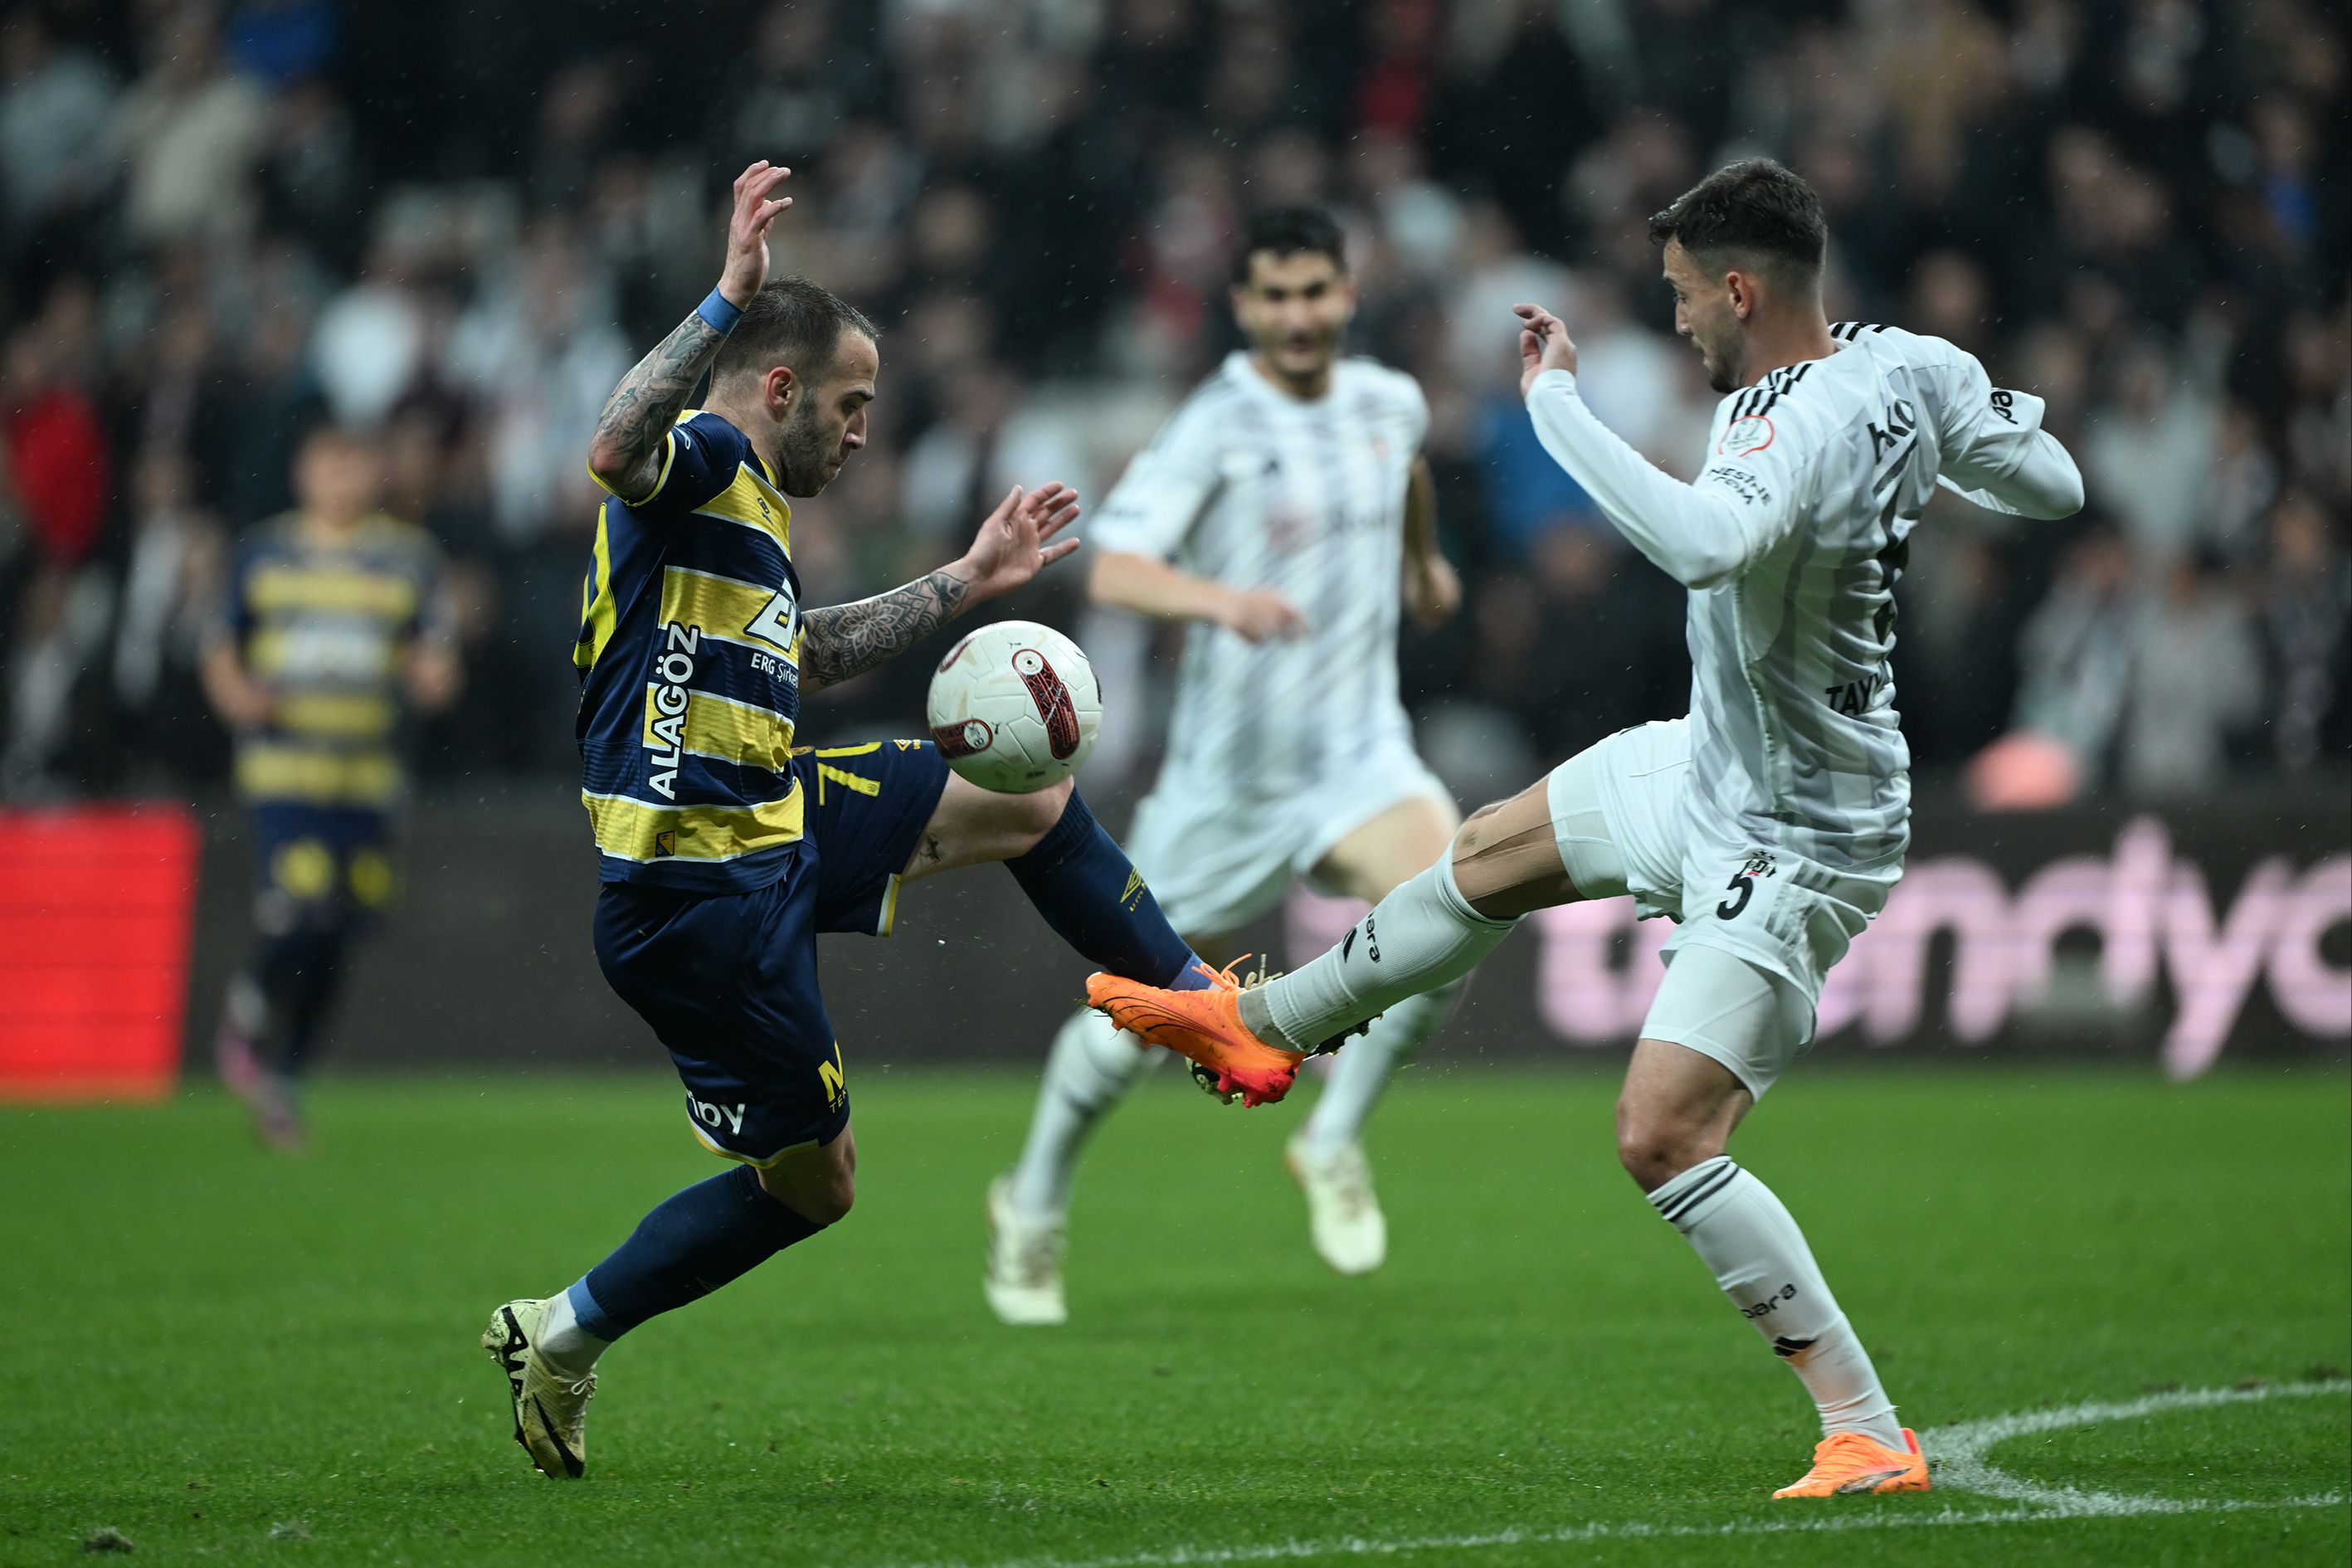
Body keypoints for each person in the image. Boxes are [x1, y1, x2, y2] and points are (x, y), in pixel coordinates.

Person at [1088, 159, 2085, 1499]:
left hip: (1800, 830)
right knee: (1491, 854)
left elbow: (1703, 546)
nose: (1674, 322)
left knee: (1662, 1134)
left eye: (1682, 297)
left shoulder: (1784, 426)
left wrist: (1558, 403)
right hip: (1714, 763)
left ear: (1740, 289)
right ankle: (1262, 1030)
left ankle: (1865, 1429)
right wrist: (1929, 464)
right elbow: (2057, 481)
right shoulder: (1909, 365)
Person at [480, 163, 1215, 1480]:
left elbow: (808, 653)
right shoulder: (701, 458)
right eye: (852, 403)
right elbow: (608, 446)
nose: (865, 432)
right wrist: (722, 299)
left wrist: (968, 581)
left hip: (773, 813)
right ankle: (565, 1330)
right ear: (778, 390)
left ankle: (1191, 998)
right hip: (695, 905)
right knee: (814, 1187)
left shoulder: (746, 517)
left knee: (1026, 795)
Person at [984, 207, 1465, 1323]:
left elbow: (1405, 478)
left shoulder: (1388, 403)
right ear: (1244, 308)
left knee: (1457, 908)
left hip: (1356, 757)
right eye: (1275, 296)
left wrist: (1425, 569)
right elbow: (1110, 571)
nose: (1298, 315)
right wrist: (1219, 600)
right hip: (1224, 785)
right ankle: (1032, 1200)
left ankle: (1331, 1137)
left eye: (1315, 291)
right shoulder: (1216, 422)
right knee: (1132, 1028)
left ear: (1346, 295)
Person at [205, 426, 461, 1149]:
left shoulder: (407, 558)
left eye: (355, 465)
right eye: (330, 464)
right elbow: (220, 643)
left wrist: (435, 675)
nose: (343, 480)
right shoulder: (264, 551)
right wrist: (235, 694)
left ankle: (285, 1078)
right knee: (300, 904)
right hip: (286, 770)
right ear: (302, 471)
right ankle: (253, 1002)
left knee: (341, 930)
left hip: (369, 773)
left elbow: (435, 652)